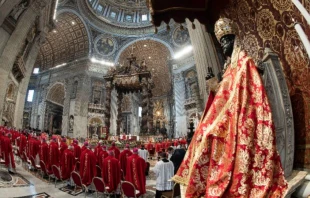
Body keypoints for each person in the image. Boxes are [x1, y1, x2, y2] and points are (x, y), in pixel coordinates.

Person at [172, 18, 288, 197]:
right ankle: (203, 183)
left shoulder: (245, 62)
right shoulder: (227, 69)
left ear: (235, 40)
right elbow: (223, 92)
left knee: (211, 133)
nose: (223, 45)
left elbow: (246, 91)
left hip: (241, 111)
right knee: (201, 132)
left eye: (226, 40)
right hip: (227, 110)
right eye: (221, 42)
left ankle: (216, 180)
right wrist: (212, 83)